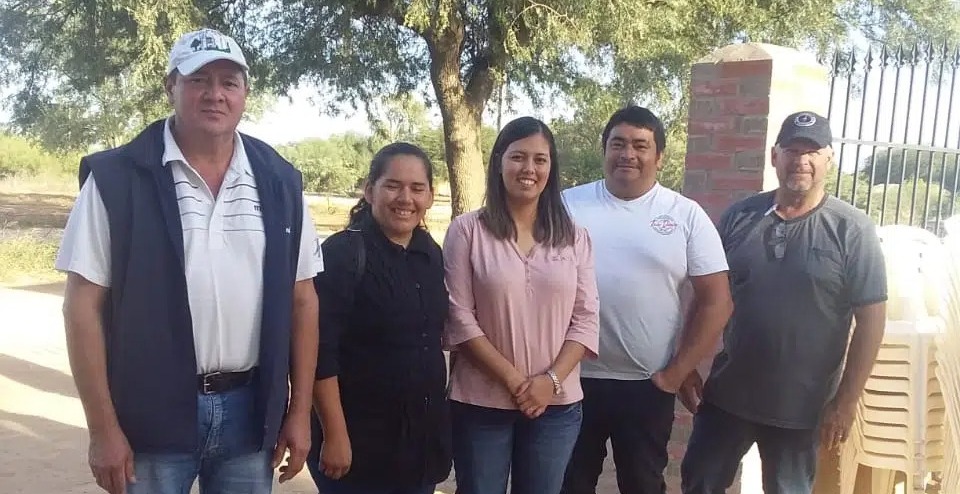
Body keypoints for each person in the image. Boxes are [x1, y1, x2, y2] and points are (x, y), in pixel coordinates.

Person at [55, 28, 323, 494]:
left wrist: (299, 412)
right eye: (198, 80)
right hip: (149, 415)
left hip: (250, 413)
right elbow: (81, 306)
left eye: (229, 82)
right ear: (171, 87)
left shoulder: (279, 180)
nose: (215, 94)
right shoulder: (117, 179)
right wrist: (102, 428)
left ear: (244, 93)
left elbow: (304, 300)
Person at [680, 111, 888, 494]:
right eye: (792, 150)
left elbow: (872, 320)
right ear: (774, 155)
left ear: (829, 159)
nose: (801, 161)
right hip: (729, 397)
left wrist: (846, 402)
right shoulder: (740, 216)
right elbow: (707, 292)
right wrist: (686, 362)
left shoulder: (852, 230)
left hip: (802, 409)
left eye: (812, 152)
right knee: (699, 484)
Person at [560, 105, 733, 494]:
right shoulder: (566, 206)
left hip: (646, 385)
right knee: (569, 484)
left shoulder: (685, 215)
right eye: (618, 144)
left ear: (660, 157)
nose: (628, 154)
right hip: (573, 379)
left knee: (642, 485)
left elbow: (717, 302)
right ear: (604, 149)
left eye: (640, 145)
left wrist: (676, 373)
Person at [442, 116, 600, 494]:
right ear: (499, 161)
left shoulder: (574, 237)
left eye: (540, 159)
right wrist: (516, 382)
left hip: (556, 406)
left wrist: (550, 382)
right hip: (481, 403)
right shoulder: (468, 230)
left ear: (551, 169)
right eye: (518, 157)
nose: (529, 168)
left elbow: (586, 318)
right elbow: (459, 316)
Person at [307, 142, 452, 494]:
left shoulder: (430, 254)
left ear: (430, 196)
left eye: (417, 188)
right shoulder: (342, 254)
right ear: (370, 191)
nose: (405, 198)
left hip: (419, 445)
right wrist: (335, 434)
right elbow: (319, 352)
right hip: (359, 446)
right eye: (393, 186)